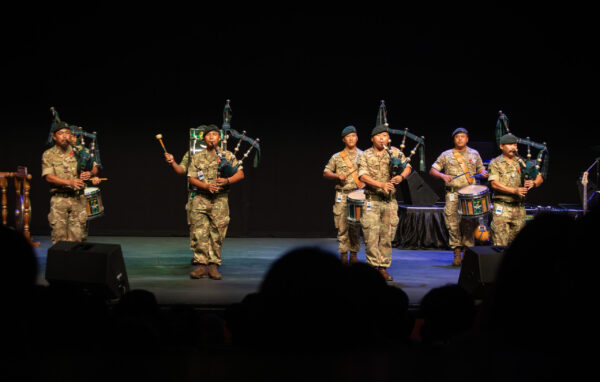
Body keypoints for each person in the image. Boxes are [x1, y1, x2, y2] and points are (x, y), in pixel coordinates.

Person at [187, 124, 244, 280]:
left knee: (217, 234)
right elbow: (191, 177)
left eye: (214, 134)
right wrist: (206, 185)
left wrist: (227, 180)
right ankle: (200, 265)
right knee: (200, 233)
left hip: (219, 201)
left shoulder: (228, 155)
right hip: (201, 199)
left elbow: (240, 174)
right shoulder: (197, 157)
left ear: (219, 138)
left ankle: (213, 265)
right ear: (203, 138)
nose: (211, 137)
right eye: (208, 135)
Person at [358, 124, 411, 281]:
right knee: (371, 237)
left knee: (387, 236)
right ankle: (372, 267)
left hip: (389, 202)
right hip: (372, 201)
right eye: (379, 136)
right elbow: (362, 176)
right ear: (372, 138)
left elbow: (407, 166)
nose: (382, 138)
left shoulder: (394, 152)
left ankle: (383, 268)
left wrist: (401, 177)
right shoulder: (365, 155)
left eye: (385, 136)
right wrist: (380, 184)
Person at [429, 127, 488, 266]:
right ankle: (456, 253)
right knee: (453, 224)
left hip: (470, 194)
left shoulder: (474, 153)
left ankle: (467, 253)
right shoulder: (446, 154)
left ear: (467, 139)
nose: (460, 139)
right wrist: (442, 175)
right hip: (453, 194)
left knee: (469, 224)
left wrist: (483, 172)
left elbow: (481, 169)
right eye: (457, 137)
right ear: (454, 139)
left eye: (463, 136)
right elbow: (432, 170)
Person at [42, 121, 95, 244]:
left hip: (78, 199)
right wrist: (69, 182)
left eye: (67, 133)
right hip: (59, 200)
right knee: (59, 238)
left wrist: (90, 173)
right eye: (61, 133)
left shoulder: (80, 151)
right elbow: (48, 177)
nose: (65, 136)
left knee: (78, 239)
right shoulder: (48, 154)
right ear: (54, 137)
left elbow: (95, 165)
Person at [488, 133, 543, 246]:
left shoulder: (522, 162)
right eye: (509, 145)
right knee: (500, 244)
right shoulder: (496, 163)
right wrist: (514, 191)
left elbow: (540, 177)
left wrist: (533, 182)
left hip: (519, 208)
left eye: (514, 145)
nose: (513, 147)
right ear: (502, 146)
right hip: (502, 208)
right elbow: (494, 184)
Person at [164, 125, 206, 265]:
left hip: (214, 195)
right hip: (195, 193)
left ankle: (212, 258)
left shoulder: (221, 153)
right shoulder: (192, 153)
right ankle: (199, 257)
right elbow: (181, 170)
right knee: (195, 226)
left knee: (213, 228)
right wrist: (173, 162)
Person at [323, 125, 363, 264]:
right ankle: (343, 254)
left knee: (355, 226)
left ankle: (353, 254)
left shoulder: (364, 156)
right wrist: (336, 176)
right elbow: (326, 172)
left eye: (353, 136)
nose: (351, 139)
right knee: (342, 225)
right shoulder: (337, 157)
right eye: (348, 137)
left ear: (357, 138)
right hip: (342, 195)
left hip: (357, 195)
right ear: (344, 140)